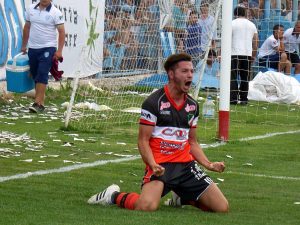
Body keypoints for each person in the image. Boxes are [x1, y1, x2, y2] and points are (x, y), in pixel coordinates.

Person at [87, 53, 229, 212]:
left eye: (191, 71)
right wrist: (152, 164)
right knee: (146, 206)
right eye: (184, 71)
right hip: (161, 166)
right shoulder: (154, 102)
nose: (190, 75)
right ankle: (112, 195)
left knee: (221, 207)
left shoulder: (193, 106)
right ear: (171, 74)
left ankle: (181, 197)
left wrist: (209, 164)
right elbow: (143, 141)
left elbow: (192, 142)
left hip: (186, 166)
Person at [21, 0, 65, 113]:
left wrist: (59, 51)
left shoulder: (56, 12)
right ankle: (40, 101)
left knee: (42, 73)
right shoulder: (30, 9)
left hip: (48, 48)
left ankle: (38, 103)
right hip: (33, 48)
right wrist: (24, 46)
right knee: (35, 74)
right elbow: (27, 27)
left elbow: (62, 32)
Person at [230, 6, 258, 105]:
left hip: (234, 53)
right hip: (247, 54)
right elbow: (255, 42)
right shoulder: (252, 25)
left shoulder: (232, 23)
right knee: (245, 78)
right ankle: (243, 99)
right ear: (245, 13)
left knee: (233, 77)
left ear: (235, 14)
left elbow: (227, 39)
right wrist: (253, 54)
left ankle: (232, 99)